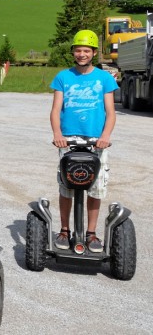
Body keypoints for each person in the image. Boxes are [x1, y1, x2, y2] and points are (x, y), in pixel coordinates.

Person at [50, 29, 118, 253]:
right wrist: (58, 135)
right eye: (78, 50)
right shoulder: (63, 77)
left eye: (86, 50)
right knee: (66, 186)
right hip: (68, 140)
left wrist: (105, 136)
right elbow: (56, 109)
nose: (81, 54)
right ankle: (64, 230)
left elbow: (110, 112)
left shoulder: (104, 78)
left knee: (95, 187)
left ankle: (91, 233)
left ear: (93, 53)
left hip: (96, 140)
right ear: (73, 52)